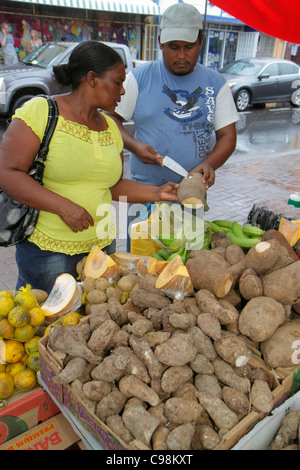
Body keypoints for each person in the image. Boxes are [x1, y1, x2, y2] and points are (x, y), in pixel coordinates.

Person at [0, 41, 178, 293]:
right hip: (49, 253)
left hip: (102, 248)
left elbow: (112, 185)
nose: (123, 92)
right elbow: (7, 172)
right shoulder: (41, 111)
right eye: (118, 83)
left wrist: (158, 193)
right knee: (48, 323)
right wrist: (63, 207)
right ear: (91, 78)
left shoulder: (111, 126)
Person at [107, 3, 239, 249]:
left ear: (201, 41)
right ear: (160, 42)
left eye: (188, 47)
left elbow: (228, 136)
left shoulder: (215, 83)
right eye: (173, 47)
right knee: (143, 265)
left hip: (191, 197)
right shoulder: (139, 77)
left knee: (186, 265)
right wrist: (135, 146)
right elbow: (110, 119)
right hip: (144, 196)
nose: (181, 55)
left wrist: (208, 165)